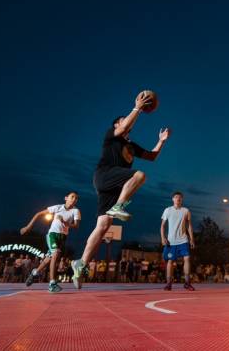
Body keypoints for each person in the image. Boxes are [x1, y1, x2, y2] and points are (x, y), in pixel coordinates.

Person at [72, 92, 171, 289]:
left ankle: (81, 263)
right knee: (139, 176)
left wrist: (161, 141)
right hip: (104, 175)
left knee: (103, 225)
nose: (127, 124)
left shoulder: (131, 146)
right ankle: (119, 206)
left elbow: (151, 156)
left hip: (116, 186)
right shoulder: (112, 135)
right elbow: (125, 126)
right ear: (117, 124)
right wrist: (137, 108)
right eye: (123, 121)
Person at [21, 191, 81, 292]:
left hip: (63, 237)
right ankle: (52, 283)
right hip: (52, 234)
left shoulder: (76, 211)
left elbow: (76, 226)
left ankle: (34, 273)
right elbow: (39, 214)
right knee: (55, 253)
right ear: (66, 198)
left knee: (48, 258)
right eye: (72, 197)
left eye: (76, 198)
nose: (74, 199)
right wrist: (28, 226)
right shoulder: (58, 207)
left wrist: (64, 222)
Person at [160, 191, 195, 291]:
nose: (178, 198)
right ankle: (168, 284)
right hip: (171, 241)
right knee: (170, 261)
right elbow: (162, 226)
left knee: (187, 258)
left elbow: (189, 226)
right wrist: (163, 237)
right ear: (173, 199)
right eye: (176, 197)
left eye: (180, 197)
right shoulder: (168, 210)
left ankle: (187, 283)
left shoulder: (186, 211)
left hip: (183, 240)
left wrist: (192, 239)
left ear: (182, 199)